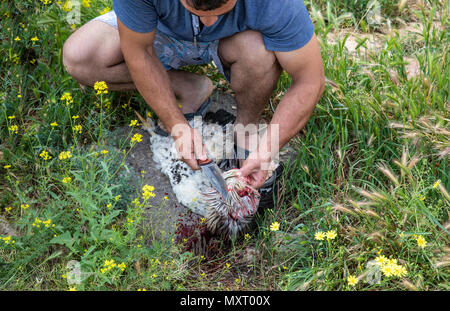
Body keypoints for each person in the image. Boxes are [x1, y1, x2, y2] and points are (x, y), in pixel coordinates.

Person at [62, 0, 325, 189]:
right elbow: (139, 53)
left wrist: (268, 149)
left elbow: (309, 81)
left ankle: (246, 129)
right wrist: (178, 124)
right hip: (158, 29)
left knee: (258, 53)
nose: (207, 21)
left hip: (232, 40)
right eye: (194, 8)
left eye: (221, 9)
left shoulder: (279, 4)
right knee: (79, 58)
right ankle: (186, 87)